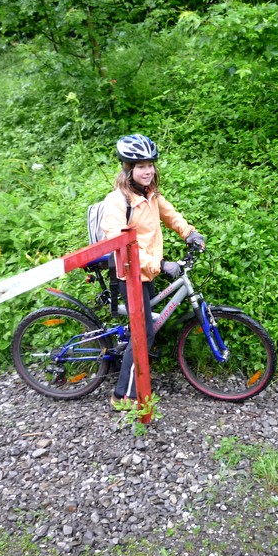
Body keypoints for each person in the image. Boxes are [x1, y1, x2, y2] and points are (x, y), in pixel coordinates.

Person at [100, 134, 205, 410]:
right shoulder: (117, 202)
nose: (148, 171)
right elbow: (120, 244)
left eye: (150, 165)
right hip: (128, 274)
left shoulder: (151, 195)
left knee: (145, 326)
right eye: (141, 166)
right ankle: (124, 395)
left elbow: (171, 215)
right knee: (144, 332)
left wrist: (190, 233)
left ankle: (136, 373)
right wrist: (160, 265)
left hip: (146, 273)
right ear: (128, 169)